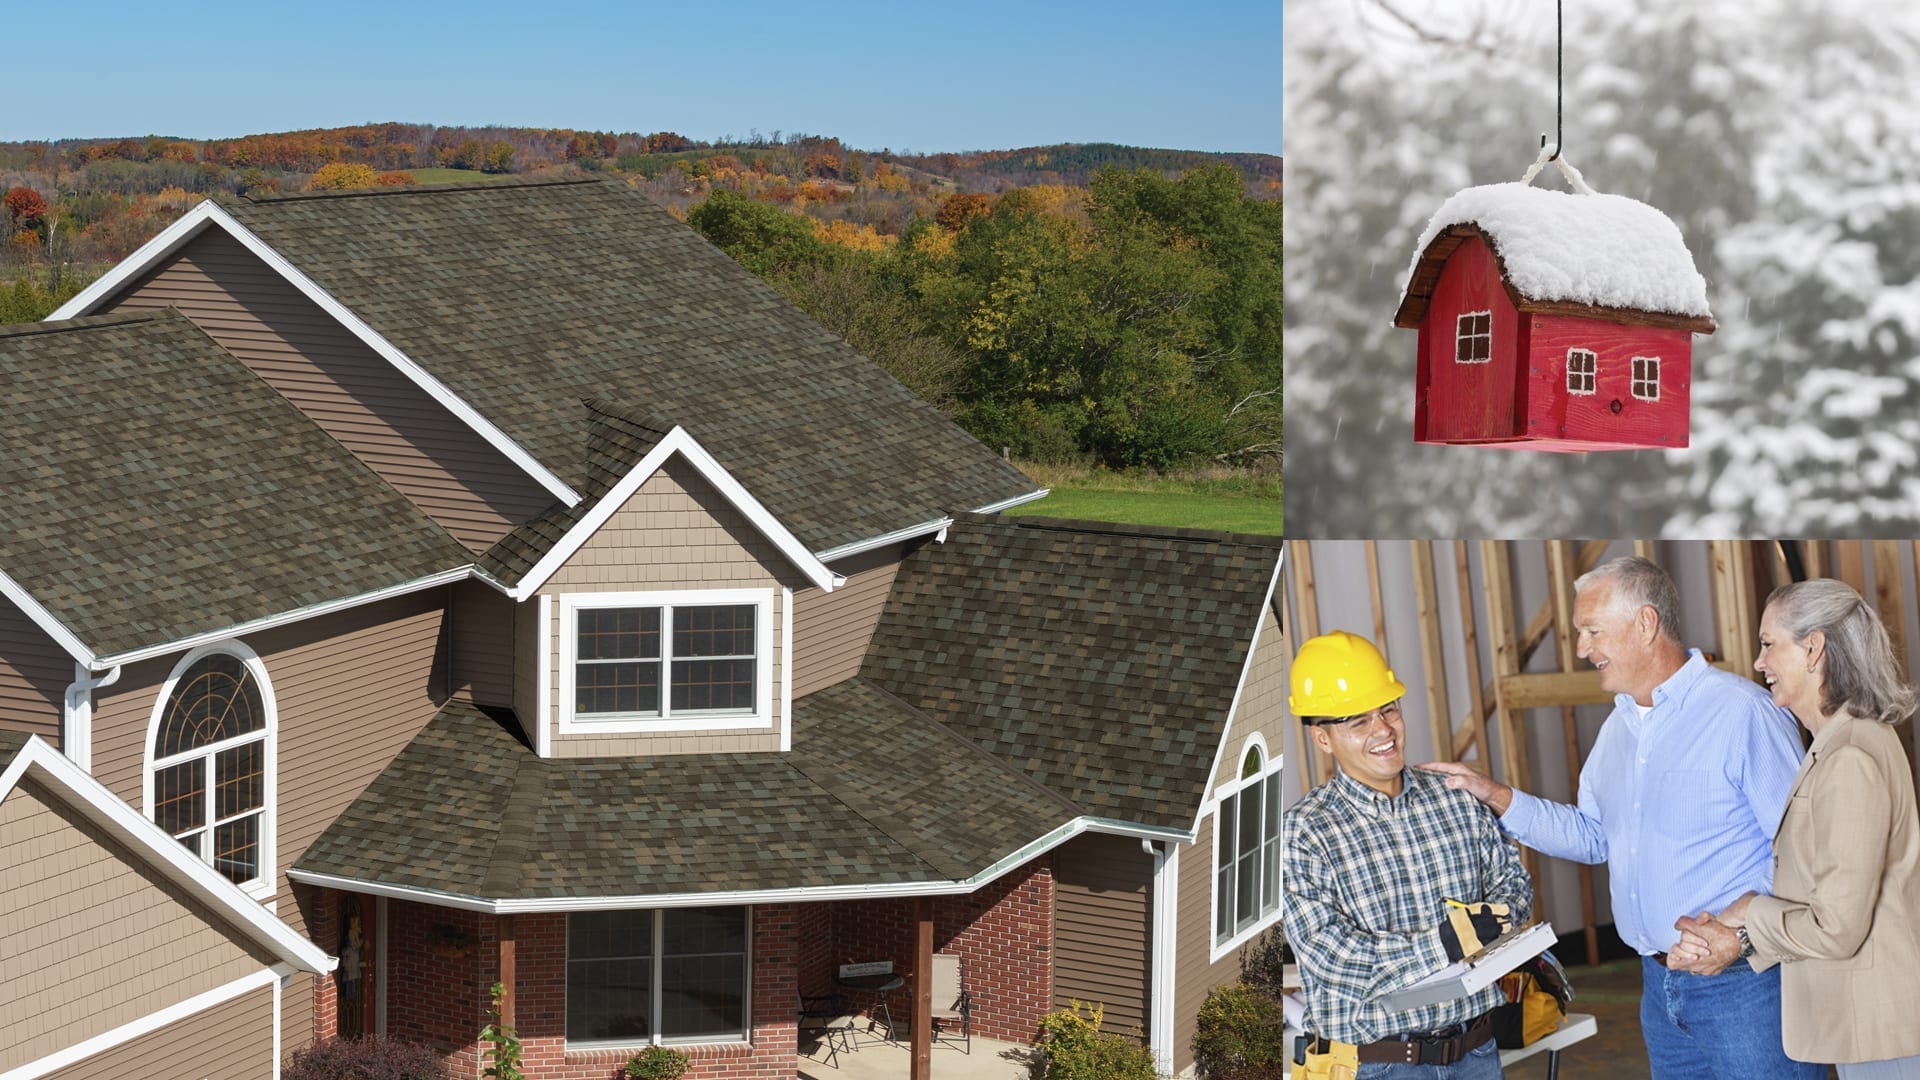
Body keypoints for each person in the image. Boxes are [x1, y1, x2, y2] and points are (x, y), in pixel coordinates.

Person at [1420, 555, 1818, 1080]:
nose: (1583, 648)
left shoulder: (1742, 713)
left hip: (1744, 983)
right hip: (1659, 990)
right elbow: (1593, 837)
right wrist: (1497, 796)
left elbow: (1802, 852)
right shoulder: (1618, 729)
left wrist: (1738, 934)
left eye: (1592, 631)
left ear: (1646, 624)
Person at [1668, 579, 1920, 1078]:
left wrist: (1749, 912)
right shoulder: (1842, 742)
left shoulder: (1849, 757)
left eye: (1768, 644)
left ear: (1813, 648)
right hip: (1864, 1026)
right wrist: (1743, 930)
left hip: (1877, 1032)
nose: (1758, 663)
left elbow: (1838, 928)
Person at [1283, 630, 1533, 1079]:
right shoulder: (1304, 832)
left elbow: (1513, 884)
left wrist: (1493, 920)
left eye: (1389, 709)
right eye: (1358, 722)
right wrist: (1445, 943)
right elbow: (1332, 958)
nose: (1383, 730)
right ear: (1322, 738)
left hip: (1476, 1053)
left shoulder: (1455, 796)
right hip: (1380, 1066)